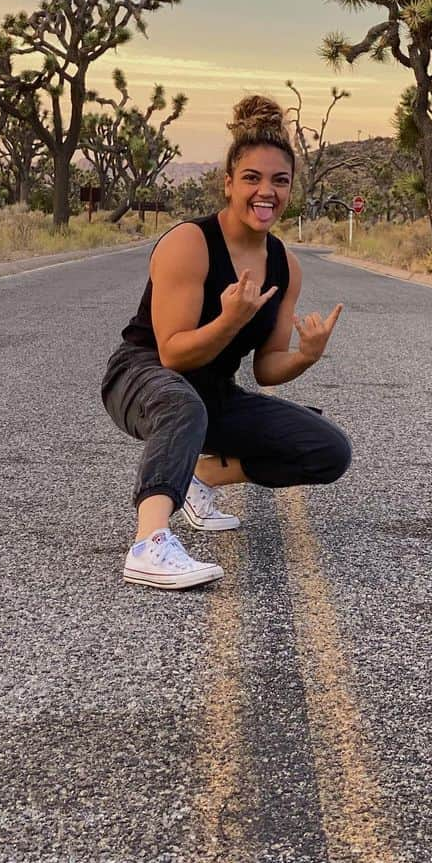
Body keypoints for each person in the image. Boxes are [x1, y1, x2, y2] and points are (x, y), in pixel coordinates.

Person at [100, 94, 352, 589]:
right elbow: (172, 353)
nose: (267, 192)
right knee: (182, 405)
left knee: (327, 449)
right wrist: (231, 320)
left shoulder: (284, 264)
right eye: (253, 179)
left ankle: (202, 478)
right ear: (229, 183)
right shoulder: (189, 244)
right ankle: (149, 543)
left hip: (213, 390)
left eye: (280, 181)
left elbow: (266, 368)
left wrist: (306, 355)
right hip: (144, 376)